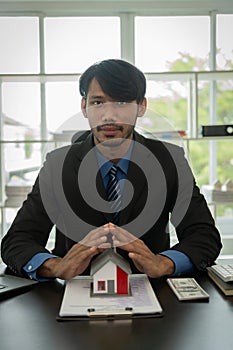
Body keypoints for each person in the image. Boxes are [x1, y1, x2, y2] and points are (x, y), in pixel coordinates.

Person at [1, 59, 222, 281]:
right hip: (75, 289)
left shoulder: (169, 160)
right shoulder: (58, 164)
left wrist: (164, 263)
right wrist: (54, 266)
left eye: (122, 103)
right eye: (97, 103)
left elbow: (203, 235)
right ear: (84, 107)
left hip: (151, 289)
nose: (109, 115)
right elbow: (18, 239)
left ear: (142, 106)